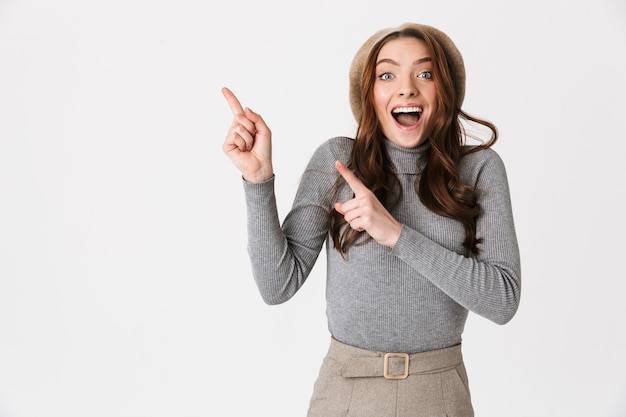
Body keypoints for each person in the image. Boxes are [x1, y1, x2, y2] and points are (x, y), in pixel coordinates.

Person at [221, 22, 521, 417]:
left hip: (440, 396)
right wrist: (258, 181)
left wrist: (395, 233)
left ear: (444, 91)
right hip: (344, 396)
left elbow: (503, 301)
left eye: (425, 74)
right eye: (387, 74)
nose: (407, 88)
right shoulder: (336, 161)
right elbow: (278, 286)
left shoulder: (479, 169)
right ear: (370, 94)